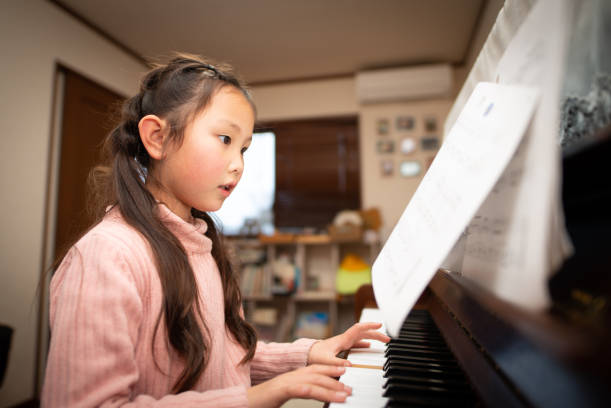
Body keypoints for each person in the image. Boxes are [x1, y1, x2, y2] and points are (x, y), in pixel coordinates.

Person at [42, 54, 390, 407]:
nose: (238, 164)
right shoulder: (107, 255)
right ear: (157, 138)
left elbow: (226, 359)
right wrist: (256, 398)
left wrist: (310, 351)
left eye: (243, 149)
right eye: (225, 139)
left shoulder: (203, 246)